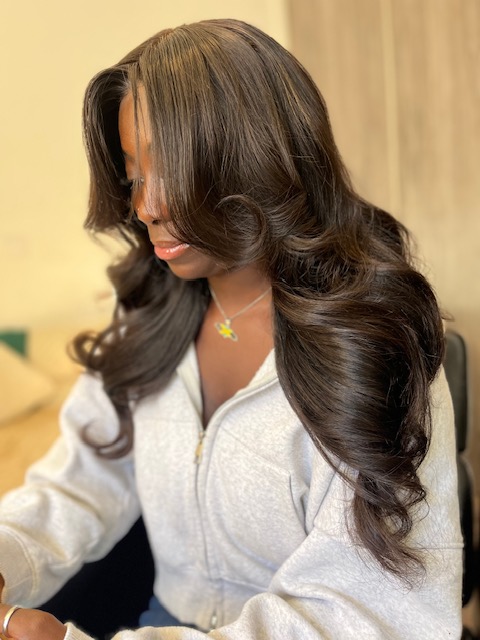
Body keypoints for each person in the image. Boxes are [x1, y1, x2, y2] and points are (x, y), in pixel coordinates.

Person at [0, 18, 462, 640]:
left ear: (258, 158)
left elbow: (366, 612)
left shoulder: (375, 345)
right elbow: (84, 477)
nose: (146, 208)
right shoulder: (149, 312)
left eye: (173, 170)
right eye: (135, 177)